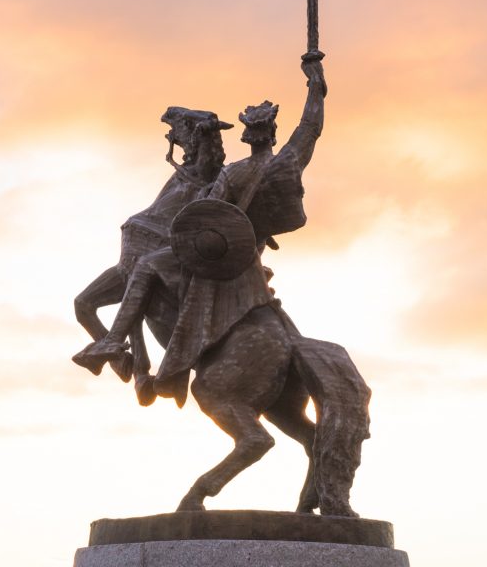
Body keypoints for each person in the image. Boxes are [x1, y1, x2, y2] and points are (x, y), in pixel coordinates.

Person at [72, 56, 327, 398]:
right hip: (240, 256)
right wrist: (315, 85)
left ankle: (114, 341)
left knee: (146, 265)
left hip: (216, 257)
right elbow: (309, 129)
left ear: (250, 134)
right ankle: (137, 361)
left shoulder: (232, 172)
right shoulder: (287, 161)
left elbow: (206, 213)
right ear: (271, 135)